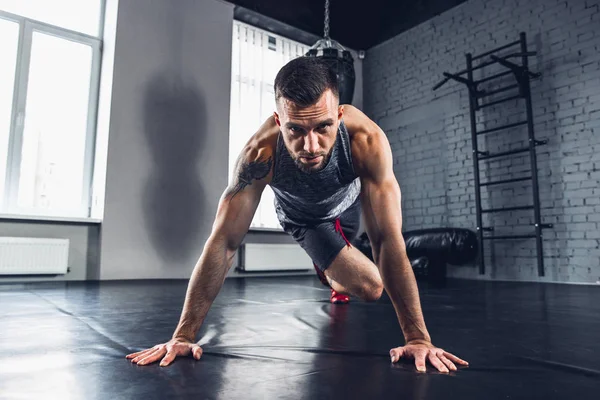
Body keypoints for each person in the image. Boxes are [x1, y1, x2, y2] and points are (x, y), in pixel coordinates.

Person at [126, 57, 468, 373]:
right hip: (303, 218)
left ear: (340, 115)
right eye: (296, 130)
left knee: (360, 270)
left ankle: (331, 270)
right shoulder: (260, 154)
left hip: (346, 206)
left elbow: (387, 240)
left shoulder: (366, 140)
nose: (311, 146)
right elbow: (224, 242)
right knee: (371, 286)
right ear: (279, 121)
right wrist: (183, 335)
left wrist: (418, 338)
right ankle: (329, 267)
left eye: (322, 127)